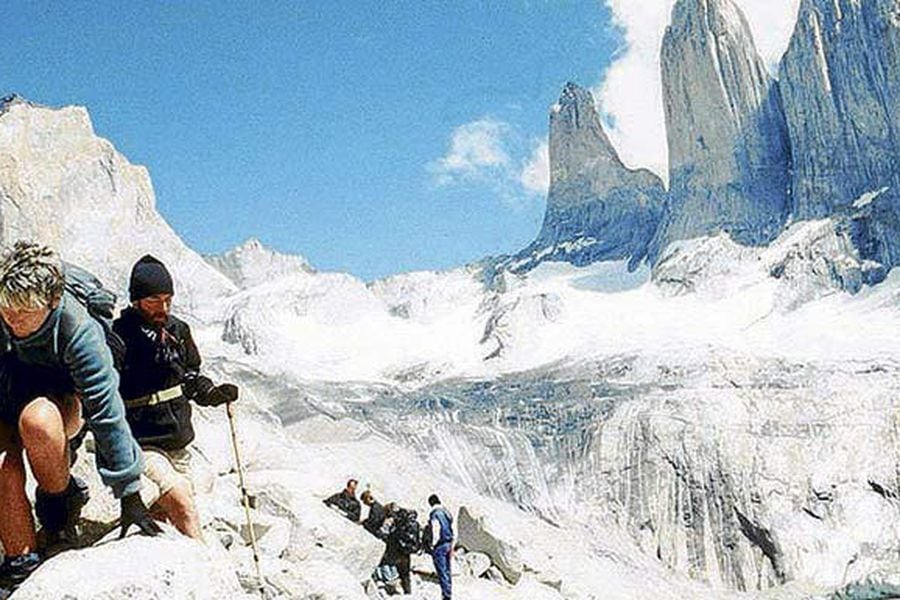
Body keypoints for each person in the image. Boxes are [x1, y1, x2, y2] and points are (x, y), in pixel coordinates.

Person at [0, 242, 159, 592]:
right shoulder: (6, 308)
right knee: (5, 459)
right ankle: (20, 562)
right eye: (6, 310)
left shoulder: (78, 330)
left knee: (38, 422)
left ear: (52, 303)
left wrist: (129, 492)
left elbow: (106, 411)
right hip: (8, 385)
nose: (12, 320)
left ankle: (59, 515)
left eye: (23, 313)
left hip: (60, 398)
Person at [113, 255, 238, 540]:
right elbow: (105, 392)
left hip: (177, 442)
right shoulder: (119, 336)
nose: (164, 307)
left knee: (189, 495)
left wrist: (212, 393)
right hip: (141, 443)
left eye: (168, 299)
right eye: (154, 300)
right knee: (183, 504)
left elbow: (190, 377)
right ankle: (206, 569)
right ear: (136, 299)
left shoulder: (178, 331)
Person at [379, 503, 419, 595]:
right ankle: (408, 593)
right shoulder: (408, 522)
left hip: (397, 550)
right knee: (405, 574)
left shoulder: (396, 522)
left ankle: (394, 590)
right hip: (406, 551)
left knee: (392, 568)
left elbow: (388, 535)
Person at [426, 494, 454, 600]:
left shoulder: (435, 514)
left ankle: (446, 595)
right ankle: (449, 590)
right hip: (448, 543)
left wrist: (433, 544)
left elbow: (436, 529)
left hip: (440, 545)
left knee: (441, 570)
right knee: (447, 569)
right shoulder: (446, 511)